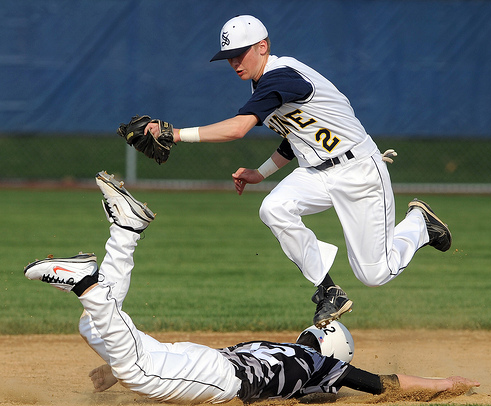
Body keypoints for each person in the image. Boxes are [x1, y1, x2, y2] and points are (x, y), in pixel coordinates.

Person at [23, 172, 477, 404]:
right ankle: (86, 282)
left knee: (99, 334)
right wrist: (446, 383)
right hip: (221, 378)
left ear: (309, 335)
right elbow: (384, 384)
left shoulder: (276, 346)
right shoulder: (320, 368)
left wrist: (112, 372)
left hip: (212, 359)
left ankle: (125, 230)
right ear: (333, 356)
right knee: (141, 368)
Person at [144, 15, 453, 329]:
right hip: (317, 174)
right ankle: (328, 290)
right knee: (274, 208)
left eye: (241, 53)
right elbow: (293, 140)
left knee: (374, 274)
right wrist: (260, 173)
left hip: (359, 171)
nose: (235, 62)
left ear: (262, 46)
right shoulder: (260, 83)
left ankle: (420, 225)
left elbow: (238, 129)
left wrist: (176, 134)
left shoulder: (281, 77)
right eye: (229, 57)